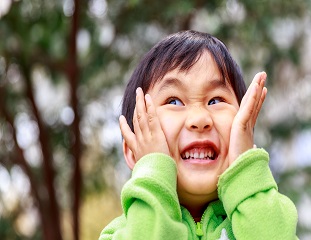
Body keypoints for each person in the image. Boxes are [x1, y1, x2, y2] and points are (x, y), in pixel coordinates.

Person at [99, 30, 298, 239]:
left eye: (215, 100)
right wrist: (154, 173)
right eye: (174, 101)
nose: (200, 119)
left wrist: (245, 170)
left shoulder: (264, 214)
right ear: (133, 150)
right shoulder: (119, 233)